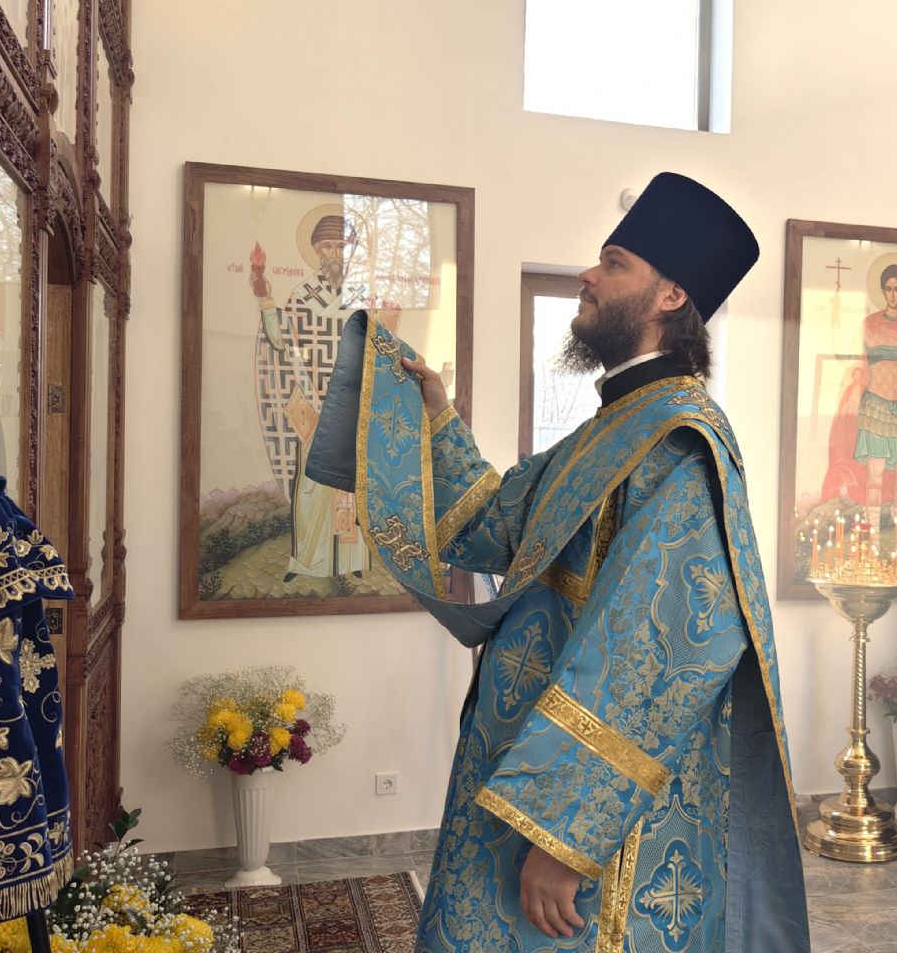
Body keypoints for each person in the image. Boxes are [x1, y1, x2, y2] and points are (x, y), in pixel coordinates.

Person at [305, 173, 809, 951]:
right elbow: (493, 526)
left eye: (612, 263)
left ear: (670, 295)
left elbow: (659, 652)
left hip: (589, 817)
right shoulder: (612, 427)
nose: (587, 275)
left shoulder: (680, 444)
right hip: (522, 763)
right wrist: (436, 417)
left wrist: (566, 835)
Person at [250, 213, 369, 583]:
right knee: (311, 487)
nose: (335, 254)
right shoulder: (303, 295)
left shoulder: (360, 298)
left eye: (342, 246)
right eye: (328, 246)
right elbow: (281, 339)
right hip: (316, 404)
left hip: (350, 407)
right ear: (316, 250)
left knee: (348, 484)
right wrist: (265, 296)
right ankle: (308, 561)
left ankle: (350, 560)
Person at [820, 264, 897, 550]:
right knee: (873, 478)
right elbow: (845, 354)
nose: (892, 294)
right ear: (882, 291)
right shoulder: (871, 324)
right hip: (875, 408)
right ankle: (873, 544)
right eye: (888, 289)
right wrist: (835, 317)